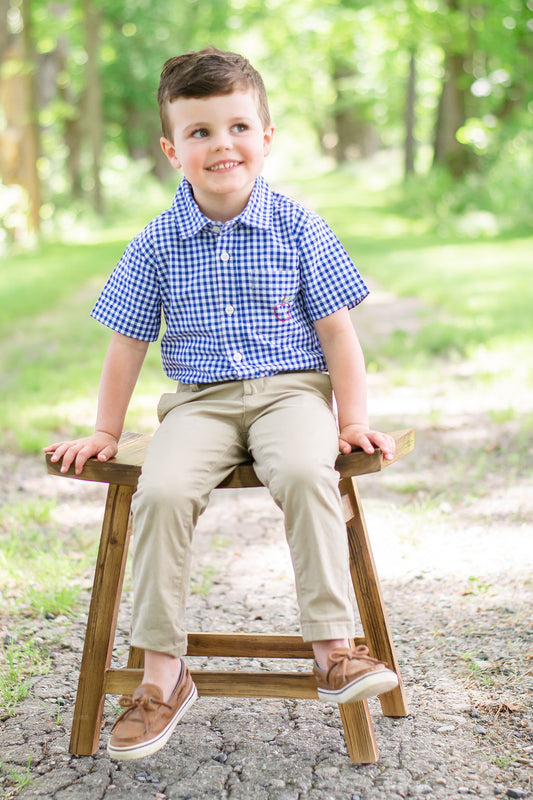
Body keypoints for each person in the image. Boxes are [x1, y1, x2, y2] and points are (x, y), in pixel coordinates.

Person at [44, 47, 399, 762]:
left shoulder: (299, 228)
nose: (221, 145)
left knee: (306, 474)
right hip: (199, 405)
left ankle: (332, 649)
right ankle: (163, 676)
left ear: (265, 138)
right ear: (173, 150)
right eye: (200, 133)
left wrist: (352, 419)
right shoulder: (157, 242)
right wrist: (105, 432)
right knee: (163, 491)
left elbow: (338, 333)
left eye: (237, 126)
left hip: (291, 393)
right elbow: (127, 345)